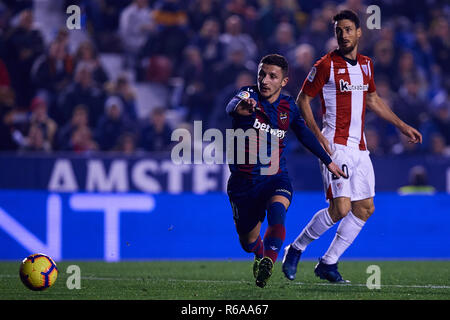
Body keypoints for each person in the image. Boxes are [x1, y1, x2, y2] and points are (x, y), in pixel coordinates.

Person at [282, 10, 422, 283]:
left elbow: (373, 100)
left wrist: (402, 125)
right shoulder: (325, 65)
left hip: (360, 148)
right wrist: (319, 137)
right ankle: (295, 249)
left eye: (348, 29)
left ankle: (328, 263)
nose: (343, 35)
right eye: (338, 31)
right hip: (336, 145)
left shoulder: (367, 65)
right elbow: (302, 100)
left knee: (365, 208)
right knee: (341, 209)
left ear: (359, 32)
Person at [225, 54, 345, 288]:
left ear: (284, 81)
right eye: (262, 74)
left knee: (278, 210)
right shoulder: (247, 94)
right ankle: (260, 254)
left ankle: (268, 263)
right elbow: (231, 106)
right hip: (243, 182)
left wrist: (328, 161)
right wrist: (241, 108)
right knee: (248, 242)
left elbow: (304, 135)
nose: (265, 80)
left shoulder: (288, 106)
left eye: (272, 76)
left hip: (275, 175)